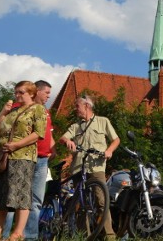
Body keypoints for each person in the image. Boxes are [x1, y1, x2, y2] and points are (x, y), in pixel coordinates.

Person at [0, 81, 46, 241]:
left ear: (32, 93)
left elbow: (39, 134)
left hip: (23, 156)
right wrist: (2, 113)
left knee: (20, 195)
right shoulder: (13, 111)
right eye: (16, 92)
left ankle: (17, 233)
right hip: (3, 157)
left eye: (21, 92)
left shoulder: (38, 109)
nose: (17, 95)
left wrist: (17, 144)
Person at [60, 94, 120, 240]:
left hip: (97, 167)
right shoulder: (76, 126)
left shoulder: (102, 121)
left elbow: (116, 139)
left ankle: (109, 236)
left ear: (87, 106)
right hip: (79, 168)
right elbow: (62, 137)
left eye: (77, 106)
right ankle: (84, 236)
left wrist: (109, 150)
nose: (76, 109)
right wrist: (68, 141)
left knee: (101, 200)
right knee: (81, 204)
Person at [3, 80, 56, 240]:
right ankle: (5, 235)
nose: (48, 96)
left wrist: (52, 149)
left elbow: (48, 134)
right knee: (14, 198)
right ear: (37, 91)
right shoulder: (18, 108)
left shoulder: (45, 111)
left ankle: (30, 237)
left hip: (41, 160)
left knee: (36, 200)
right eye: (46, 92)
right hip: (23, 158)